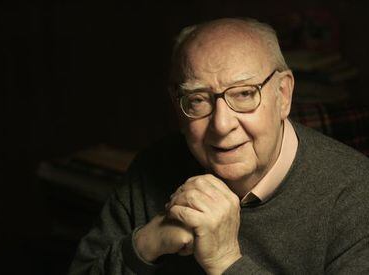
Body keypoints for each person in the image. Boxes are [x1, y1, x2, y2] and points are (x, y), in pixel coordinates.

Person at [68, 18, 369, 274]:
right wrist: (146, 245)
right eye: (198, 99)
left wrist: (226, 261)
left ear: (284, 94)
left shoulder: (357, 192)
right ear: (177, 105)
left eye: (243, 94)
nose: (222, 125)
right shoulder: (153, 166)